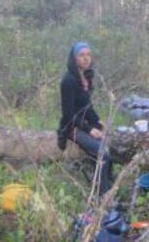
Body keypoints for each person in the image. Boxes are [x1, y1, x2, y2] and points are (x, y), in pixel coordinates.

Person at [57, 42, 112, 196]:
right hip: (71, 127)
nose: (86, 58)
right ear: (74, 59)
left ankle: (105, 184)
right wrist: (90, 130)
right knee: (103, 153)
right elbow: (68, 114)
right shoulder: (68, 81)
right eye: (81, 55)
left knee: (109, 144)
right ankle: (103, 197)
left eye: (88, 55)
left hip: (85, 123)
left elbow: (87, 107)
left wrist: (99, 121)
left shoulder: (86, 77)